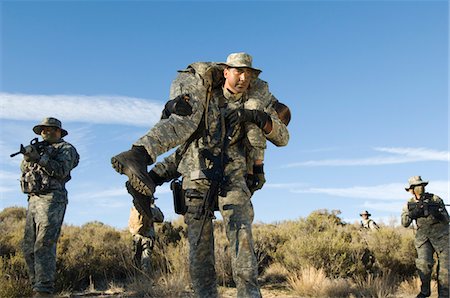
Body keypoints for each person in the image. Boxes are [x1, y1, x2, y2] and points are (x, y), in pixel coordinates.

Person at [113, 52, 281, 297]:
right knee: (199, 251)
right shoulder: (202, 100)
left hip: (233, 179)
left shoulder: (253, 102)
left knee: (242, 241)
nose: (244, 78)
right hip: (197, 178)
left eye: (249, 73)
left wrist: (259, 120)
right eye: (238, 71)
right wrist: (168, 110)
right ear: (225, 71)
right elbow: (184, 150)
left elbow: (282, 136)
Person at [20, 117, 79, 297]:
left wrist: (40, 158)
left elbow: (61, 170)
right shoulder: (39, 148)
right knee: (28, 247)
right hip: (33, 200)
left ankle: (44, 290)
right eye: (43, 130)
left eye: (51, 129)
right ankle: (36, 287)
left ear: (59, 131)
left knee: (44, 244)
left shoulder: (66, 149)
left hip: (52, 199)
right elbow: (25, 169)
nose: (46, 132)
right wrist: (28, 157)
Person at [401, 176, 449, 298]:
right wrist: (414, 212)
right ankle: (424, 291)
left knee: (445, 270)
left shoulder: (435, 199)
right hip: (423, 239)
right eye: (415, 186)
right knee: (423, 265)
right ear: (411, 189)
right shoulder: (408, 204)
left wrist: (438, 213)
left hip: (442, 237)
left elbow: (447, 219)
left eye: (420, 185)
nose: (419, 188)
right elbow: (404, 223)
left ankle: (444, 295)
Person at [127, 182, 164, 273]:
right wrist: (153, 206)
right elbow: (161, 218)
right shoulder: (152, 209)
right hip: (147, 237)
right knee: (146, 259)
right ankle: (145, 278)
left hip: (136, 236)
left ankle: (134, 277)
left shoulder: (135, 208)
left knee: (135, 258)